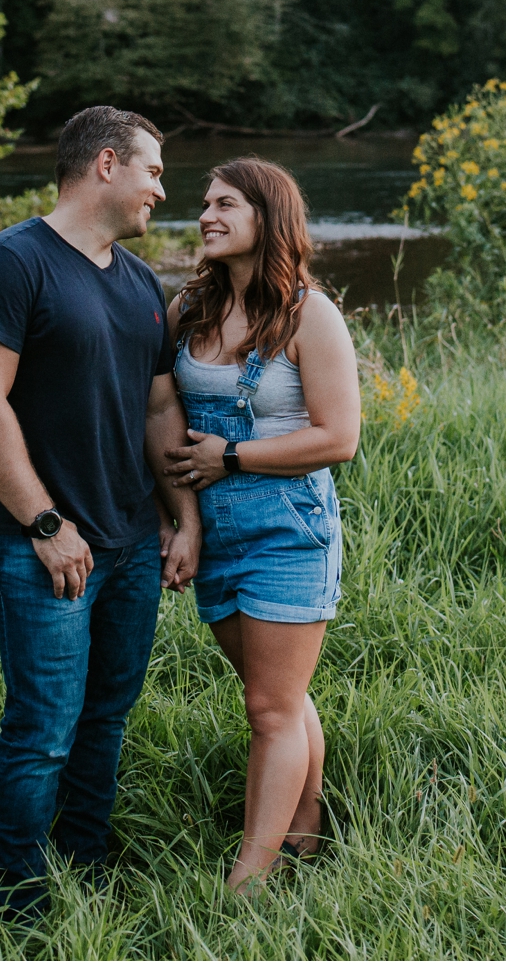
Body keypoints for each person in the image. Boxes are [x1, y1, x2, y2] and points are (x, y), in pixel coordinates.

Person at [0, 106, 203, 916]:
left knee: (106, 720)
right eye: (152, 170)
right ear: (104, 164)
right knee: (44, 726)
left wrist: (182, 517)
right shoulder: (7, 264)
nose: (162, 189)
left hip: (130, 540)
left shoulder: (138, 282)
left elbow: (160, 410)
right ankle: (11, 900)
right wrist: (46, 525)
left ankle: (84, 868)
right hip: (44, 545)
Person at [162, 157, 361, 894]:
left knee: (267, 706)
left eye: (225, 204)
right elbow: (162, 413)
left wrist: (234, 454)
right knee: (275, 692)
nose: (206, 215)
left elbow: (339, 437)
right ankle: (305, 823)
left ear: (267, 216)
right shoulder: (189, 309)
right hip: (212, 528)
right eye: (203, 202)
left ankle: (249, 876)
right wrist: (180, 519)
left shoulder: (313, 314)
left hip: (286, 526)